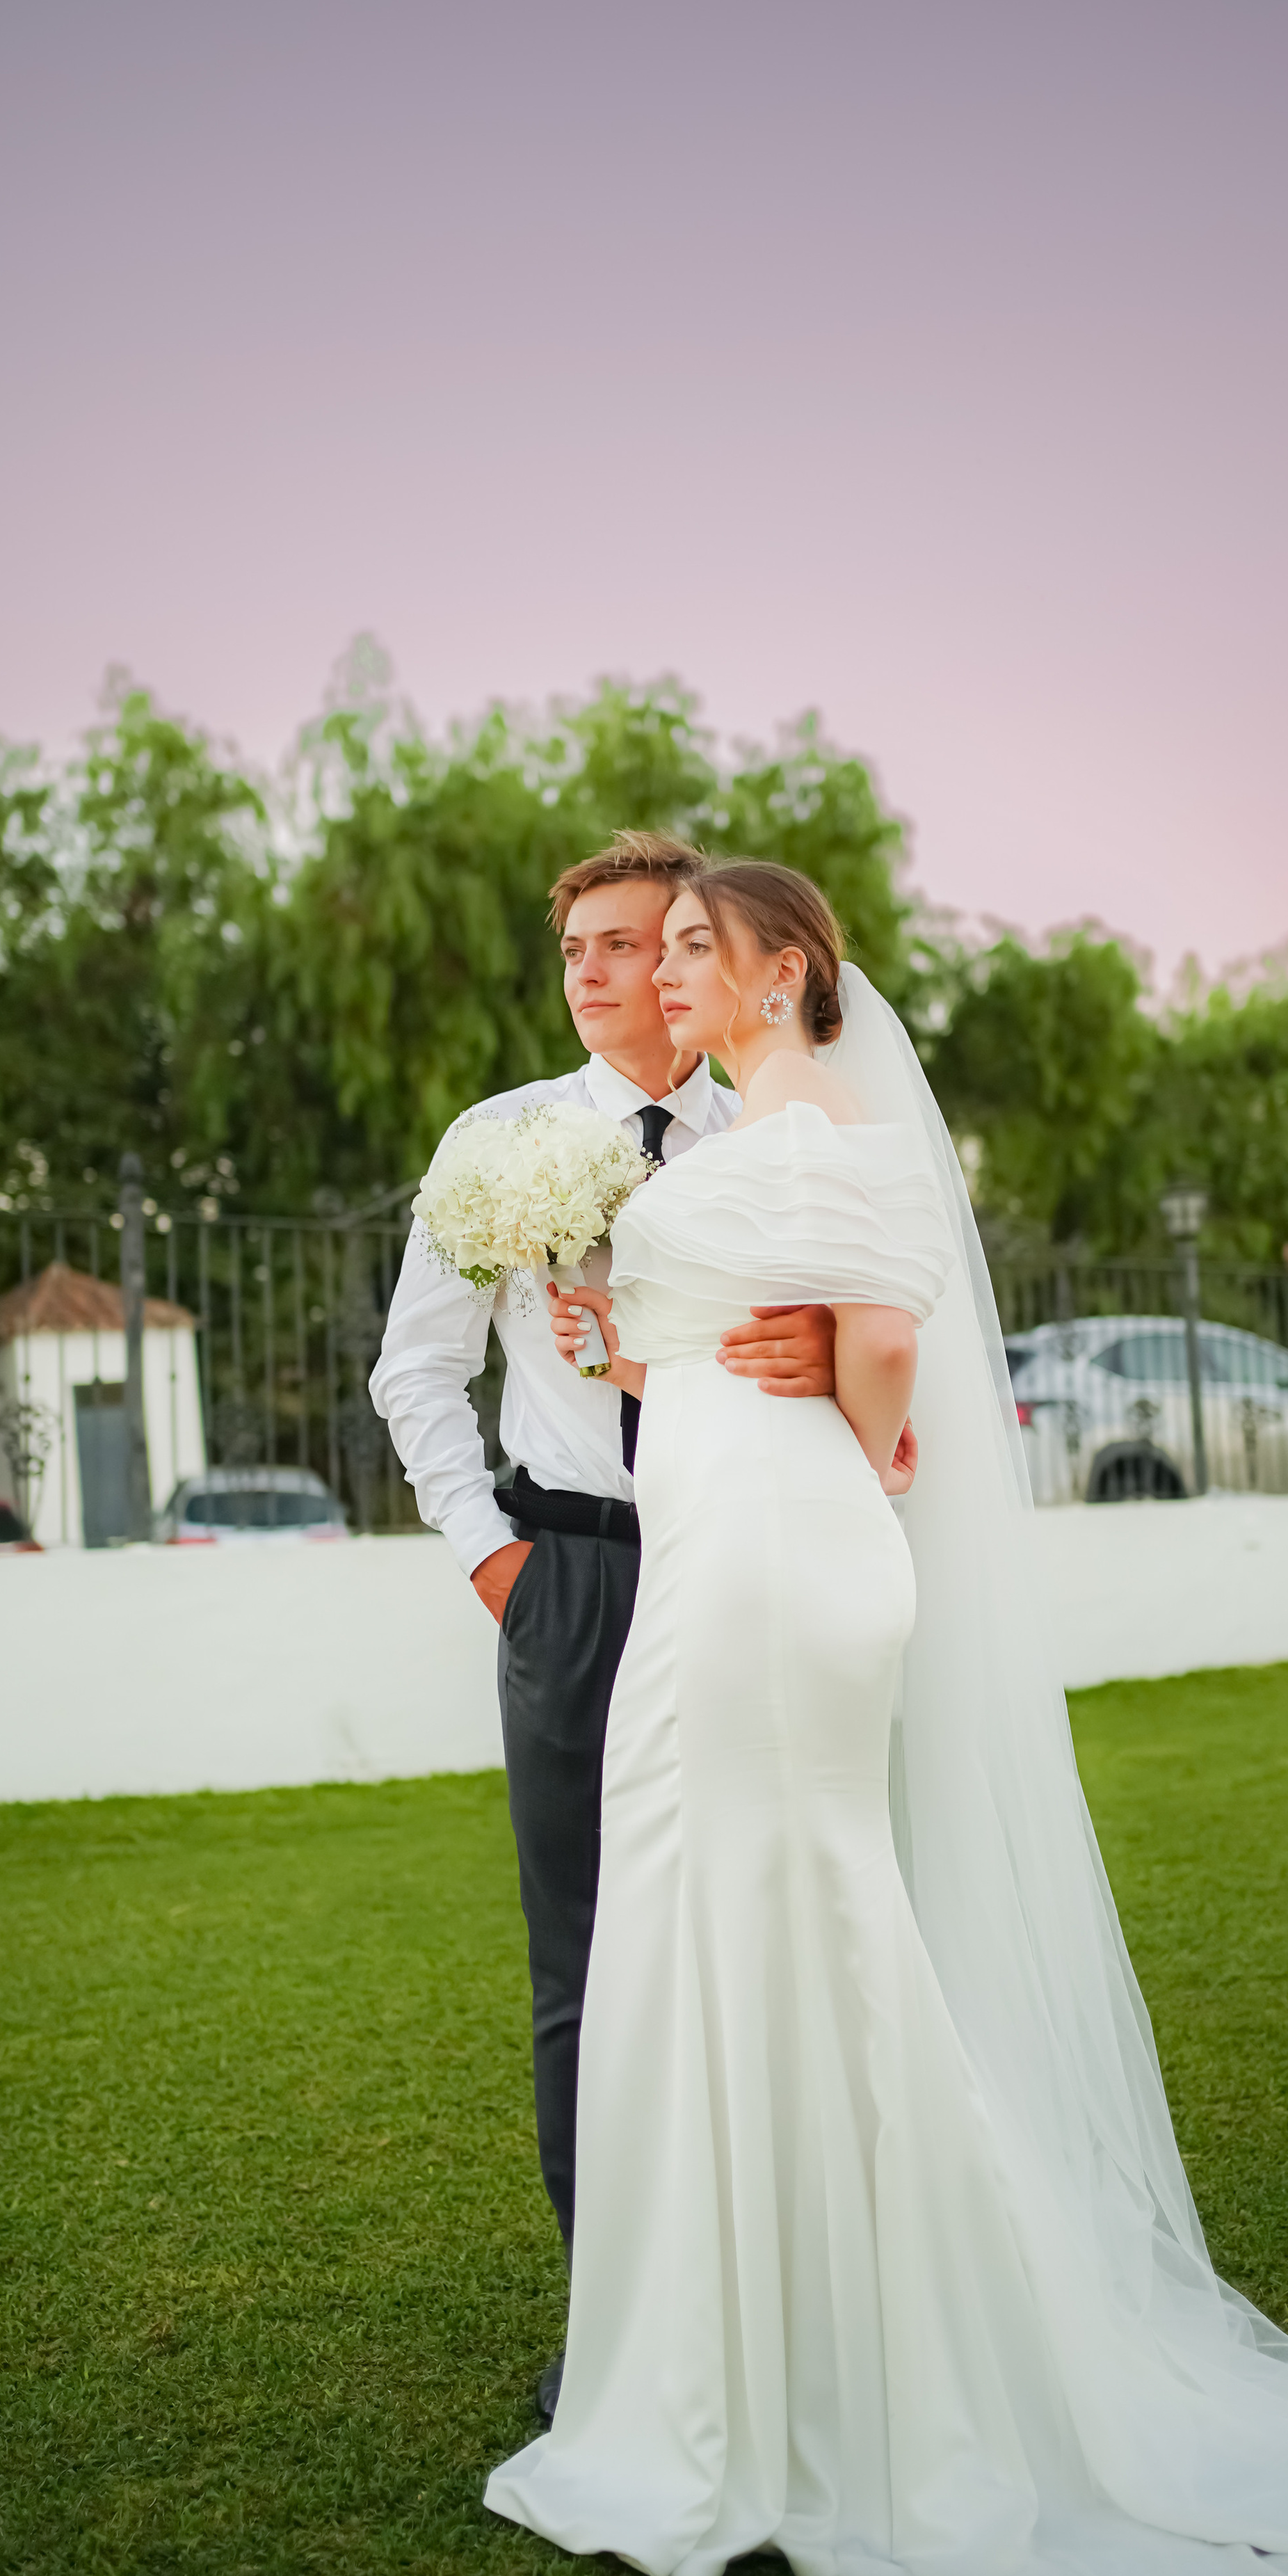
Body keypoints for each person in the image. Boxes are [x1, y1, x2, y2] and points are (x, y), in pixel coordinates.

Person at [485, 860, 1288, 2576]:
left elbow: (883, 1363)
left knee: (804, 1915)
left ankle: (890, 2384)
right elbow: (723, 1352)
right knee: (712, 1925)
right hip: (721, 1543)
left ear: (788, 973)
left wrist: (843, 1413)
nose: (670, 971)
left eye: (700, 947)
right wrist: (633, 1352)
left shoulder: (826, 1142)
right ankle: (756, 2361)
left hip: (777, 1574)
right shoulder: (726, 1139)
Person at [369, 831, 838, 2424]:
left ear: (693, 956)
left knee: (757, 1929)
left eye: (625, 944)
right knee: (583, 1966)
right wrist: (494, 1563)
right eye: (572, 947)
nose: (589, 971)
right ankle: (616, 2322)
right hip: (567, 1578)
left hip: (742, 1570)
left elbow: (831, 1364)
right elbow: (413, 1372)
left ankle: (769, 2299)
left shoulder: (768, 1138)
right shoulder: (497, 1141)